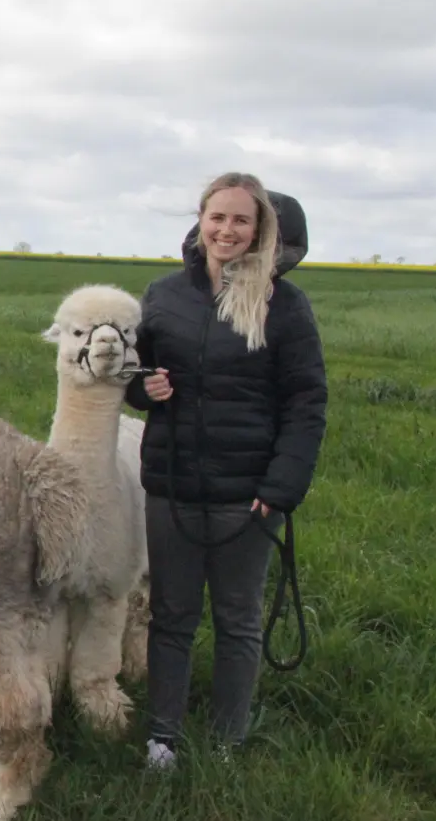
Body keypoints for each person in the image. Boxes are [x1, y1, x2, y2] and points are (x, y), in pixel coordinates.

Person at [125, 172, 328, 770]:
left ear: (260, 228)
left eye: (242, 219)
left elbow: (306, 402)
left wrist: (282, 486)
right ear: (201, 220)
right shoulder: (164, 295)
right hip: (173, 484)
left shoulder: (284, 305)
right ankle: (163, 738)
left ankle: (226, 742)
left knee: (238, 620)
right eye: (218, 217)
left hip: (249, 494)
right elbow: (137, 375)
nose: (227, 230)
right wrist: (144, 388)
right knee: (171, 616)